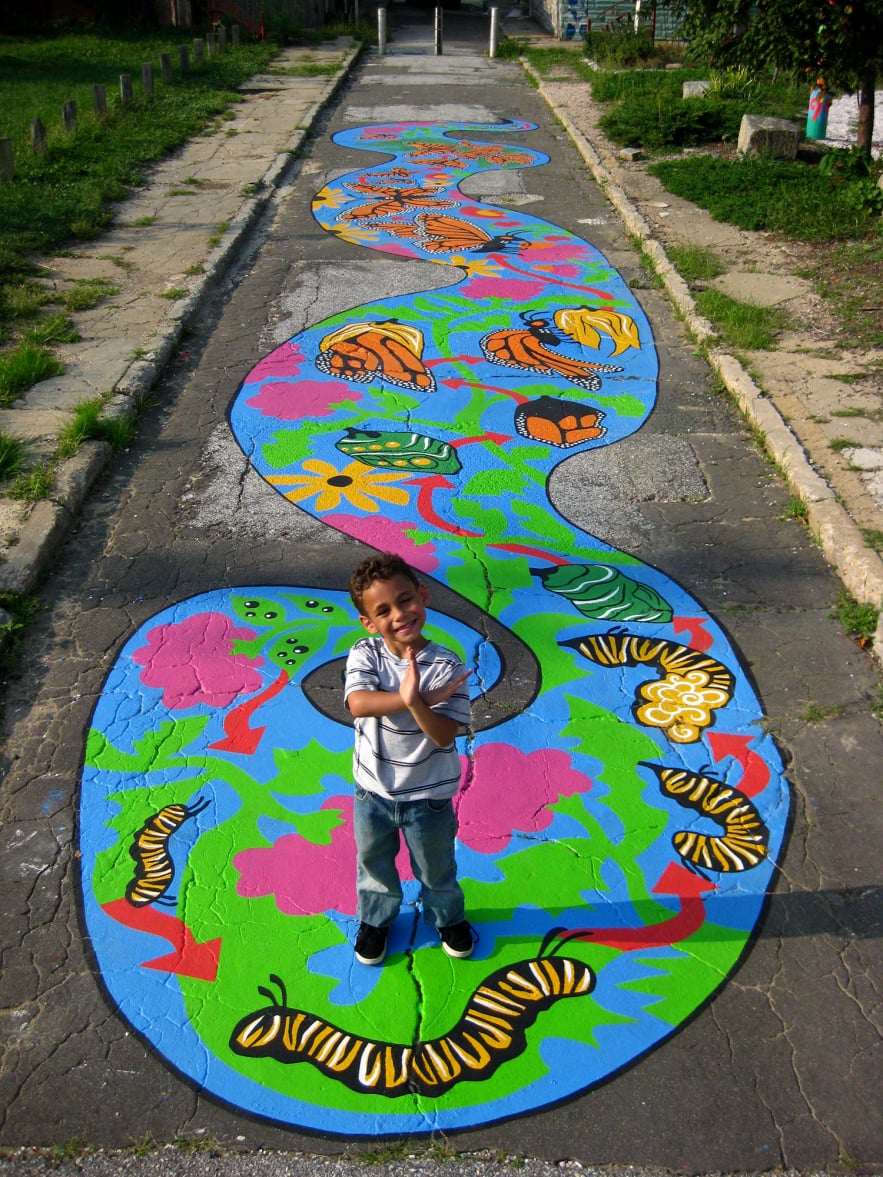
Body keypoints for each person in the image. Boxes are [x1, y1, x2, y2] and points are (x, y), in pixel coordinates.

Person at [345, 552, 473, 965]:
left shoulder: (446, 665)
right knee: (374, 867)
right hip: (373, 794)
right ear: (368, 622)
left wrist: (417, 703)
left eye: (405, 600)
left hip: (429, 799)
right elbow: (358, 703)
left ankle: (447, 917)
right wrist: (408, 696)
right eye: (383, 610)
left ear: (423, 595)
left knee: (437, 869)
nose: (399, 614)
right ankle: (377, 919)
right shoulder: (364, 653)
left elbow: (443, 735)